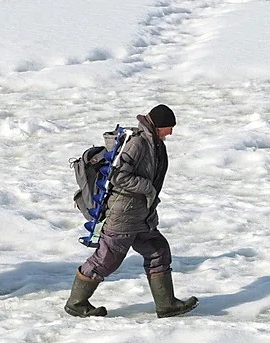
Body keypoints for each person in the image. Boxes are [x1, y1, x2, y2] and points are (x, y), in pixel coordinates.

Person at [65, 104, 198, 318]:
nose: (171, 132)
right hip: (124, 214)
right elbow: (119, 176)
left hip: (141, 215)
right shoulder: (137, 143)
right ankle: (76, 303)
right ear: (158, 125)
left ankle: (166, 305)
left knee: (158, 250)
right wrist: (147, 188)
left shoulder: (154, 143)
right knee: (107, 259)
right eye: (169, 127)